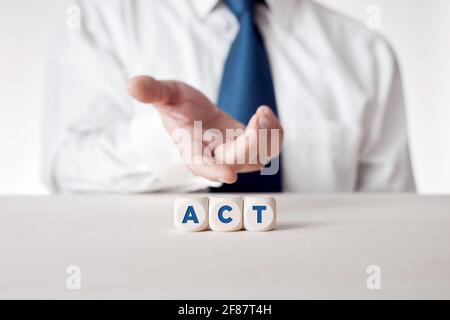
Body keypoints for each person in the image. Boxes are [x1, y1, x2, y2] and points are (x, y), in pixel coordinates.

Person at [43, 0, 415, 193]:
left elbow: (390, 222)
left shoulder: (366, 55)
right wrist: (171, 145)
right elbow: (65, 172)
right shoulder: (100, 21)